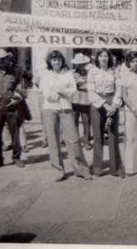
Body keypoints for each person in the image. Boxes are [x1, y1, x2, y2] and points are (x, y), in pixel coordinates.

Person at [40, 50, 92, 182]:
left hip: (66, 107)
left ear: (62, 60)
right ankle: (58, 171)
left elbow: (73, 91)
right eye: (54, 60)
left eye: (58, 60)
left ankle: (81, 169)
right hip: (50, 109)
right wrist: (61, 93)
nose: (56, 62)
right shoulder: (45, 75)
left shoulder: (68, 73)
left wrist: (60, 91)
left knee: (73, 139)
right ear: (50, 62)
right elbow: (47, 94)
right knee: (53, 139)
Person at [0, 49, 25, 169]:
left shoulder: (15, 72)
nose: (1, 61)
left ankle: (16, 158)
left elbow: (21, 88)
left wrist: (18, 98)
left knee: (15, 133)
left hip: (12, 106)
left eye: (4, 59)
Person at [88, 49, 124, 178]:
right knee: (98, 136)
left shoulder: (114, 71)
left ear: (109, 58)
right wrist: (104, 105)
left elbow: (119, 88)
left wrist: (114, 105)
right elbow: (91, 91)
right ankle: (97, 168)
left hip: (112, 102)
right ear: (97, 58)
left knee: (112, 134)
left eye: (106, 56)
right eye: (101, 56)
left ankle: (116, 168)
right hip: (98, 105)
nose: (104, 58)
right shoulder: (92, 72)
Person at [71, 53, 92, 151]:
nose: (81, 65)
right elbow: (74, 85)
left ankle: (86, 141)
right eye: (79, 63)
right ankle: (75, 141)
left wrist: (83, 84)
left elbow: (90, 85)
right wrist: (83, 84)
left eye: (83, 63)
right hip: (74, 101)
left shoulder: (89, 73)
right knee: (74, 122)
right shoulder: (72, 73)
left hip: (86, 101)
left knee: (86, 122)